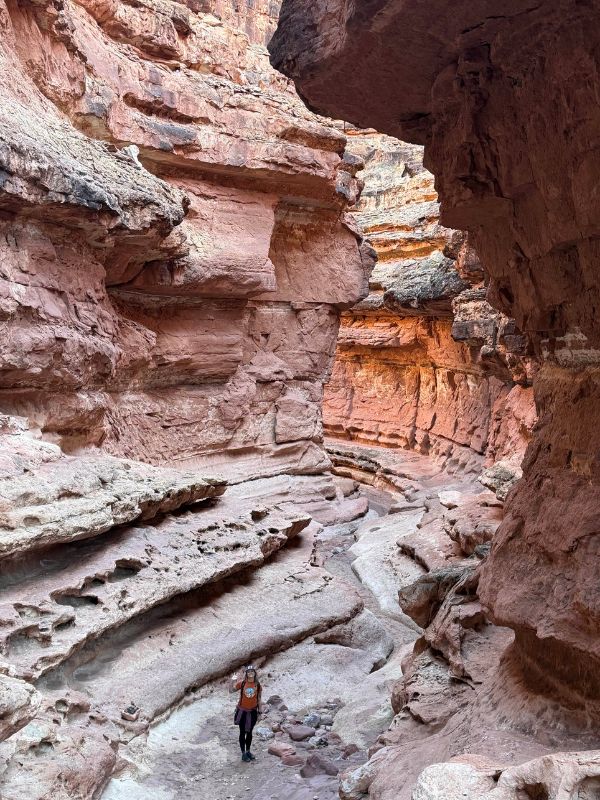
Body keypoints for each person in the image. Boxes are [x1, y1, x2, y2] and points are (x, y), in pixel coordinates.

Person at [232, 665, 261, 762]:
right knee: (242, 732)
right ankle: (243, 753)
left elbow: (259, 699)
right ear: (246, 674)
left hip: (253, 711)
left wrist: (260, 712)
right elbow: (231, 690)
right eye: (248, 672)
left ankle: (248, 751)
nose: (250, 673)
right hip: (242, 712)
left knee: (250, 732)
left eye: (252, 671)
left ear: (254, 673)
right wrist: (232, 680)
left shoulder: (258, 685)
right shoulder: (243, 683)